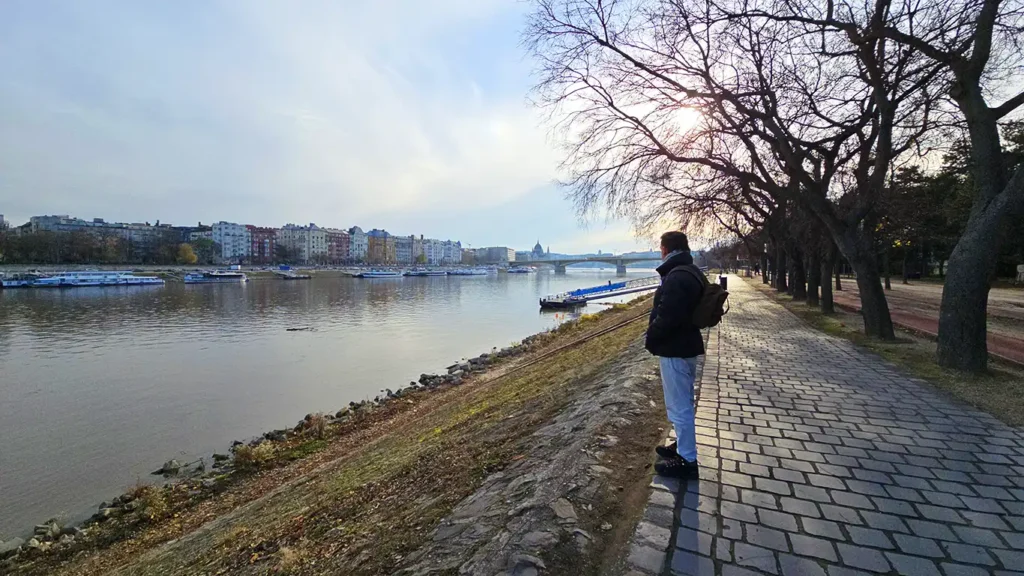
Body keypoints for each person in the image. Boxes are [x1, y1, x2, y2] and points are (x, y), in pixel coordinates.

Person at [646, 231, 705, 478]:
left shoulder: (676, 276)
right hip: (687, 345)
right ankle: (682, 445)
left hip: (675, 348)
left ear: (665, 249)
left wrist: (651, 336)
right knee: (684, 401)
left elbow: (668, 315)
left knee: (679, 406)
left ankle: (687, 460)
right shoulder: (691, 271)